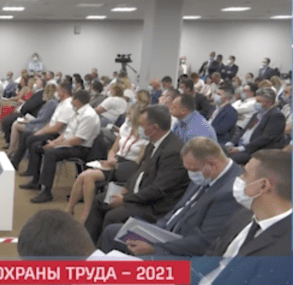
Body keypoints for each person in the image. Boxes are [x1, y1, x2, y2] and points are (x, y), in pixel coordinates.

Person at [192, 150, 291, 285]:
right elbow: (206, 262)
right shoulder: (243, 216)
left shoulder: (284, 252)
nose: (239, 179)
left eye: (244, 174)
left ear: (263, 186)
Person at [98, 137, 243, 256]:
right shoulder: (206, 174)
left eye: (193, 170)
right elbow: (177, 210)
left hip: (182, 250)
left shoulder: (229, 192)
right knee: (113, 231)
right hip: (167, 234)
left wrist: (155, 247)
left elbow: (204, 242)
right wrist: (151, 232)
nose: (191, 175)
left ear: (212, 164)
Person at [83, 105, 190, 242]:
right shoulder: (154, 143)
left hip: (153, 206)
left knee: (113, 216)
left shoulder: (173, 152)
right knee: (99, 200)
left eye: (142, 125)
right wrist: (126, 188)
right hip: (138, 194)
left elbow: (159, 190)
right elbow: (139, 171)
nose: (139, 129)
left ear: (153, 128)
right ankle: (88, 244)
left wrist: (126, 199)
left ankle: (105, 250)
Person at [66, 90, 149, 222]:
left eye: (129, 115)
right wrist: (110, 158)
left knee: (88, 176)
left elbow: (139, 160)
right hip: (115, 161)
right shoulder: (125, 128)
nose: (126, 117)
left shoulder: (145, 136)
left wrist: (114, 163)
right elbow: (113, 149)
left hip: (129, 166)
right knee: (83, 175)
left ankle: (86, 213)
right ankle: (70, 209)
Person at [25, 89, 101, 204]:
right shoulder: (77, 111)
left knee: (50, 154)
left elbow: (77, 140)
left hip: (81, 148)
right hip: (70, 143)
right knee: (38, 146)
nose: (71, 101)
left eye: (73, 99)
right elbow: (66, 134)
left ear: (77, 100)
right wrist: (54, 142)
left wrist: (55, 145)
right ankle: (36, 181)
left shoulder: (88, 115)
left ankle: (46, 192)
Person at [14, 82, 74, 173]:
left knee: (31, 139)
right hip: (52, 131)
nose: (56, 93)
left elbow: (56, 128)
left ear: (63, 92)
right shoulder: (61, 103)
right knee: (27, 135)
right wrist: (39, 132)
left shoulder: (67, 106)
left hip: (57, 135)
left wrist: (39, 133)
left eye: (57, 91)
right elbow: (51, 123)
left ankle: (30, 169)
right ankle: (18, 163)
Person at [226, 87, 286, 165]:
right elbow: (244, 132)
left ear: (269, 102)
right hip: (241, 146)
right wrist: (231, 142)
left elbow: (266, 138)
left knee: (227, 161)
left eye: (259, 101)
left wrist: (241, 148)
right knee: (219, 151)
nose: (256, 103)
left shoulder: (276, 116)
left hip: (255, 151)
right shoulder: (256, 114)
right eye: (256, 100)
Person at [7, 83, 54, 157]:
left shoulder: (50, 103)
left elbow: (42, 119)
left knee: (16, 125)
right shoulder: (50, 102)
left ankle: (12, 150)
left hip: (39, 125)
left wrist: (28, 121)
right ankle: (13, 150)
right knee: (16, 123)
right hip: (38, 121)